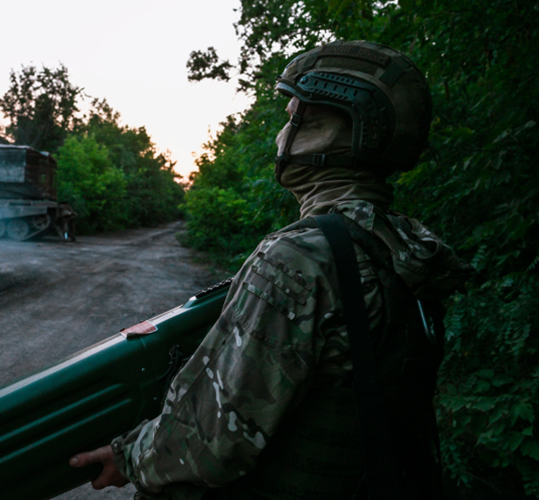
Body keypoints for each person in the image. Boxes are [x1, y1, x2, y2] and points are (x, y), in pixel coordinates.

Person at [70, 41, 474, 499]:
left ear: (329, 132)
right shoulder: (404, 249)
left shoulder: (299, 258)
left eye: (293, 116)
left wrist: (128, 457)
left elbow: (212, 442)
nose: (283, 134)